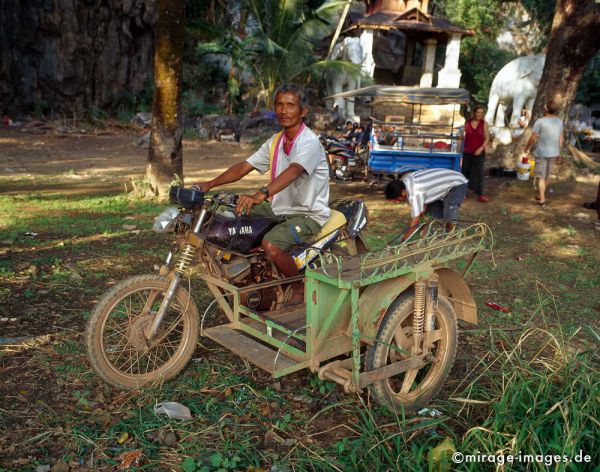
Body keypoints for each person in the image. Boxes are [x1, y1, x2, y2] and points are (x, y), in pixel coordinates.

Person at [194, 84, 330, 305]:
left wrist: (261, 194)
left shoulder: (310, 142)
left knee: (271, 244)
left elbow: (294, 171)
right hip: (278, 207)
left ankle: (298, 285)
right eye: (279, 105)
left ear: (303, 111)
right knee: (231, 217)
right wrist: (209, 184)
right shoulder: (276, 141)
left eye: (290, 105)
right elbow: (244, 166)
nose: (284, 111)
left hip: (308, 214)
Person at [384, 169, 468, 241]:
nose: (397, 202)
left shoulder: (415, 192)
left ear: (403, 192)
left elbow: (415, 222)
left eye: (397, 199)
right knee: (431, 213)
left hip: (457, 183)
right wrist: (417, 226)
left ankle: (451, 236)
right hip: (443, 187)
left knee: (450, 210)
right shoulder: (404, 181)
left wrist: (404, 240)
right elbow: (421, 210)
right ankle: (435, 233)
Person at [525, 100, 564, 207]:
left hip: (542, 153)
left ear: (546, 109)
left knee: (541, 177)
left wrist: (527, 147)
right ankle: (540, 195)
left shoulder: (540, 121)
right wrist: (559, 153)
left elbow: (533, 138)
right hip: (553, 153)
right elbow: (561, 138)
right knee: (547, 176)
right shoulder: (559, 121)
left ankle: (542, 200)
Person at [462, 105, 490, 202]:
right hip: (466, 151)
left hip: (479, 152)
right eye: (478, 112)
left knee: (480, 173)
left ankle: (481, 194)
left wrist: (481, 148)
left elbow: (487, 138)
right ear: (474, 113)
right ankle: (463, 193)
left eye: (481, 113)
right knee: (465, 172)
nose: (479, 114)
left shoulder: (484, 124)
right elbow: (462, 136)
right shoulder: (467, 123)